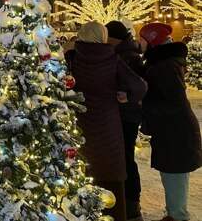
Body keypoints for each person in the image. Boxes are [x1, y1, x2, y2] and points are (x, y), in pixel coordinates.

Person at [65, 21, 147, 221]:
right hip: (109, 125)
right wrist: (126, 96)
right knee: (110, 173)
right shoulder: (113, 58)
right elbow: (139, 86)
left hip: (81, 125)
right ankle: (114, 213)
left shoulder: (72, 59)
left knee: (84, 170)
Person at [140, 23, 201, 221]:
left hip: (176, 133)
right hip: (173, 132)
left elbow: (171, 103)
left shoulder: (163, 67)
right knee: (172, 176)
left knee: (175, 177)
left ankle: (177, 217)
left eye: (143, 39)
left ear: (152, 42)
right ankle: (174, 214)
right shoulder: (163, 63)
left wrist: (142, 104)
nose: (139, 42)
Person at [106, 20, 146, 221]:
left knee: (127, 159)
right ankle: (129, 201)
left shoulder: (126, 56)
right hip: (125, 115)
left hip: (127, 116)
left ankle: (132, 202)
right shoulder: (125, 52)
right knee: (125, 158)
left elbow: (140, 86)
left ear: (114, 38)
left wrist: (127, 96)